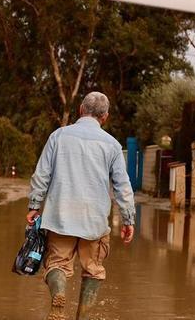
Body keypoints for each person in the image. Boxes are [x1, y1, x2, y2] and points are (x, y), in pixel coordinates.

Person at [27, 92, 136, 320]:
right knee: (93, 270)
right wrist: (128, 219)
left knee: (57, 263)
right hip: (94, 221)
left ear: (80, 110)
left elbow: (41, 175)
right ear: (104, 117)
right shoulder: (113, 145)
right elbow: (122, 187)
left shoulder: (58, 136)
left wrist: (34, 205)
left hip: (60, 216)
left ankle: (59, 298)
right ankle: (83, 317)